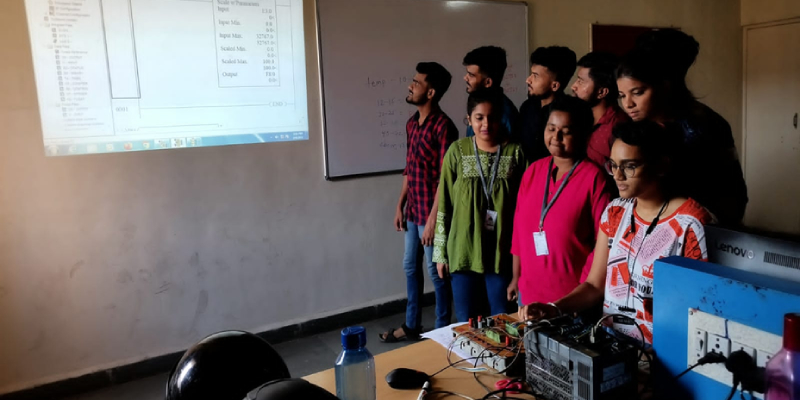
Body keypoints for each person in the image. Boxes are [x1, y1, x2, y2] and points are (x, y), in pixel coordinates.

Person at [519, 120, 712, 345]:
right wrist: (554, 308)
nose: (617, 175)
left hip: (660, 353)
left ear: (661, 165)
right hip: (612, 345)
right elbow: (594, 285)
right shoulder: (615, 212)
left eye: (629, 166)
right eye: (613, 165)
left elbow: (696, 311)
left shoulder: (690, 223)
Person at [615, 29, 748, 225]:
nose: (628, 104)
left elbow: (732, 197)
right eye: (622, 95)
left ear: (665, 83)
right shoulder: (636, 127)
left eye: (638, 92)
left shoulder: (704, 127)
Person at [508, 96, 611, 307]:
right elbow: (518, 231)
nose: (556, 137)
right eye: (551, 128)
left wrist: (584, 292)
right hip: (529, 295)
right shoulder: (533, 171)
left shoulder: (594, 179)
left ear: (583, 134)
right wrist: (516, 277)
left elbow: (602, 245)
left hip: (570, 301)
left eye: (566, 131)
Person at [433, 89, 526, 322]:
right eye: (479, 118)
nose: (486, 124)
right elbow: (444, 205)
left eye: (492, 118)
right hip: (463, 251)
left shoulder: (515, 153)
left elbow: (525, 210)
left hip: (502, 253)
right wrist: (440, 254)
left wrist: (522, 262)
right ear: (469, 119)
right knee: (467, 323)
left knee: (502, 321)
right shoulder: (456, 152)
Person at [381, 62, 457, 342]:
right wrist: (399, 205)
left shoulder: (444, 127)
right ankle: (412, 325)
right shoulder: (412, 123)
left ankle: (441, 330)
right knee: (410, 267)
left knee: (436, 273)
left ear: (431, 92)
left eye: (416, 82)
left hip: (432, 214)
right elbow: (409, 168)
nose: (410, 86)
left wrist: (434, 220)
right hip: (414, 210)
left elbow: (446, 179)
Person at [571, 52, 630, 167]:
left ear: (602, 92)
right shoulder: (578, 116)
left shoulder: (618, 126)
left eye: (581, 81)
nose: (574, 86)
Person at [519, 46, 577, 163]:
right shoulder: (527, 107)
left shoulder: (569, 114)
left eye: (535, 76)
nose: (528, 80)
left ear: (554, 85)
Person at [462, 46, 520, 141]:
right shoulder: (475, 102)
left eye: (471, 75)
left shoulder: (506, 116)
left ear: (488, 82)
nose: (465, 78)